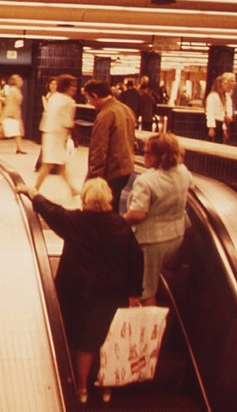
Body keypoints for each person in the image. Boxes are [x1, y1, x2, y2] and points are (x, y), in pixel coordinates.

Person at [16, 177, 143, 404]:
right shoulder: (120, 225)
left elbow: (51, 210)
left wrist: (32, 192)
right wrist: (135, 293)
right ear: (108, 199)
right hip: (111, 295)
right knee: (108, 340)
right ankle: (107, 389)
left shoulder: (75, 221)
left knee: (82, 341)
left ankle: (82, 389)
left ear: (85, 199)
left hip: (79, 293)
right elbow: (136, 257)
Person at [124, 133, 193, 307]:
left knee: (146, 291)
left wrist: (120, 221)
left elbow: (138, 214)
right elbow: (190, 185)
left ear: (160, 156)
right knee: (156, 279)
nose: (144, 155)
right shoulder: (182, 171)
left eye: (147, 153)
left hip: (150, 242)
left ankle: (151, 332)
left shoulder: (146, 181)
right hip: (176, 235)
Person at [83, 78, 136, 214]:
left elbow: (99, 148)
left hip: (111, 171)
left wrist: (94, 178)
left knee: (102, 211)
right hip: (126, 169)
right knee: (114, 205)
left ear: (95, 96)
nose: (91, 104)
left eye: (90, 100)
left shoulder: (105, 115)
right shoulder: (126, 110)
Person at [35, 73, 80, 195]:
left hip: (49, 132)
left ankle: (72, 188)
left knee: (60, 163)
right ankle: (35, 188)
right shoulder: (69, 102)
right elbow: (67, 122)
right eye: (72, 86)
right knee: (49, 163)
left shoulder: (54, 97)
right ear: (66, 87)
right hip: (58, 135)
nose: (74, 88)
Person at [204, 72, 235, 143]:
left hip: (220, 124)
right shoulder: (213, 96)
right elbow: (210, 112)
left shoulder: (224, 96)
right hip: (214, 124)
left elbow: (222, 114)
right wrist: (211, 128)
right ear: (219, 84)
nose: (227, 86)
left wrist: (224, 129)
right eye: (225, 84)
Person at [0, 74, 26, 154]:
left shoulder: (17, 90)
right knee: (3, 131)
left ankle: (19, 147)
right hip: (12, 112)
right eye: (20, 80)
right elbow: (9, 102)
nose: (22, 82)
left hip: (15, 111)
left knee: (17, 131)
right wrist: (9, 113)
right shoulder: (13, 90)